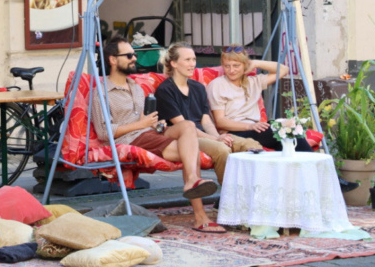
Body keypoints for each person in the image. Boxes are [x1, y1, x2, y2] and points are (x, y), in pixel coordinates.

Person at [90, 35, 221, 231]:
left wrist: (156, 124)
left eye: (134, 54)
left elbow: (146, 120)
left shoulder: (135, 87)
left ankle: (193, 183)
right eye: (129, 55)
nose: (134, 58)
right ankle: (199, 214)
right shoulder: (101, 91)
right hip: (131, 138)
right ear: (113, 60)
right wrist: (141, 124)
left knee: (187, 127)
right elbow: (103, 132)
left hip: (150, 134)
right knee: (190, 152)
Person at [153, 42, 262, 232]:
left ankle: (257, 202)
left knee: (251, 145)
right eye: (187, 60)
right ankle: (232, 203)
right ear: (174, 64)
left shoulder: (197, 87)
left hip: (205, 134)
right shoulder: (165, 90)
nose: (192, 64)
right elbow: (183, 126)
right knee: (222, 149)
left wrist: (217, 135)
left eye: (194, 59)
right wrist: (215, 140)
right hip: (185, 139)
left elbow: (205, 119)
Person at [208, 46, 311, 152]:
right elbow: (220, 122)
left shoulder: (254, 82)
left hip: (256, 128)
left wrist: (255, 63)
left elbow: (284, 70)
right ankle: (312, 164)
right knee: (282, 133)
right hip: (234, 131)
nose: (231, 70)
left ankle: (305, 164)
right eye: (227, 66)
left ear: (245, 65)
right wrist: (250, 126)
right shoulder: (217, 85)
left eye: (236, 66)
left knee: (290, 134)